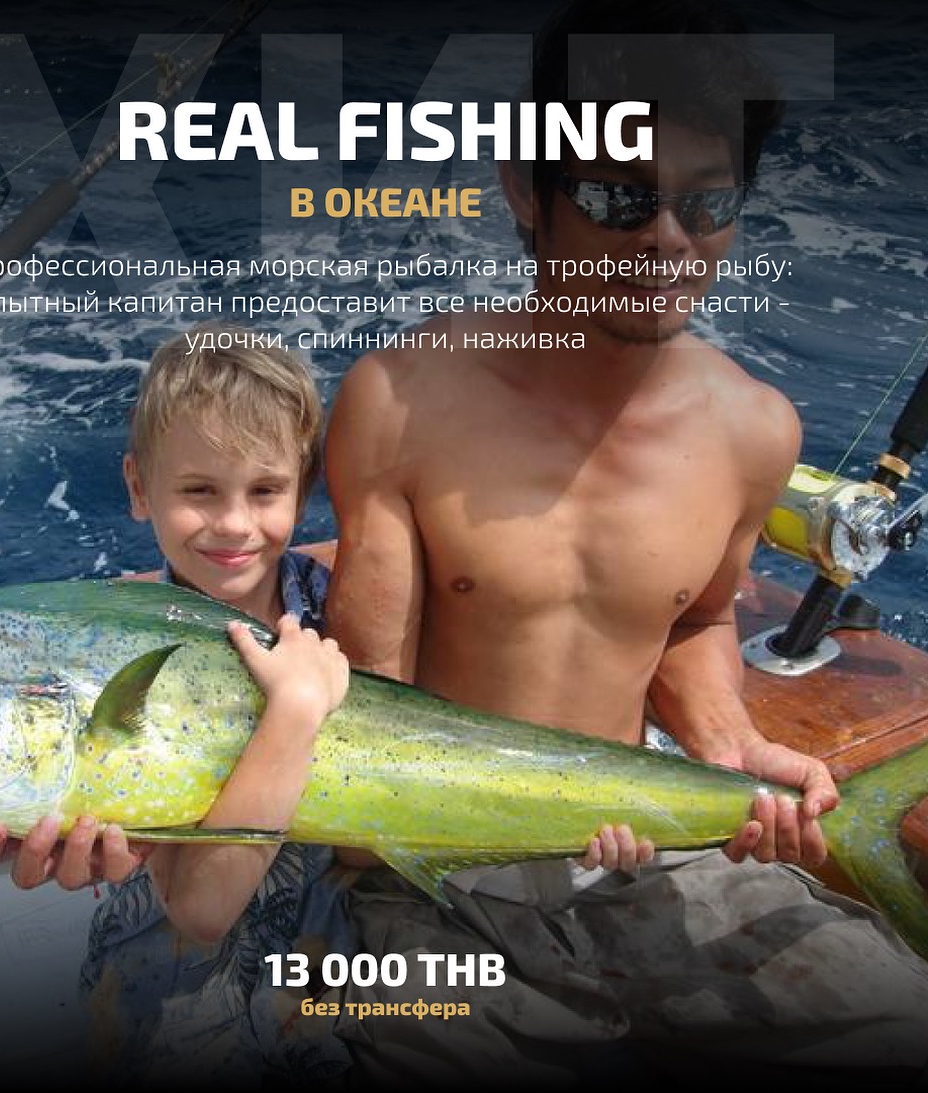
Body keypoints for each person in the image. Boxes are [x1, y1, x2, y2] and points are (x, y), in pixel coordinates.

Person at [322, 0, 928, 1086]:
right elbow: (370, 730)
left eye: (708, 203)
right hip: (428, 884)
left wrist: (729, 748)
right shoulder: (400, 406)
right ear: (527, 188)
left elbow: (694, 618)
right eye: (619, 196)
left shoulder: (755, 430)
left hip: (647, 853)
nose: (667, 241)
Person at [0, 322, 357, 1086]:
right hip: (164, 998)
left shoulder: (341, 614)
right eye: (198, 490)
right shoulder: (103, 655)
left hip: (327, 973)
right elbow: (200, 911)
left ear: (304, 487)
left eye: (265, 490)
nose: (235, 523)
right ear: (138, 487)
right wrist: (294, 706)